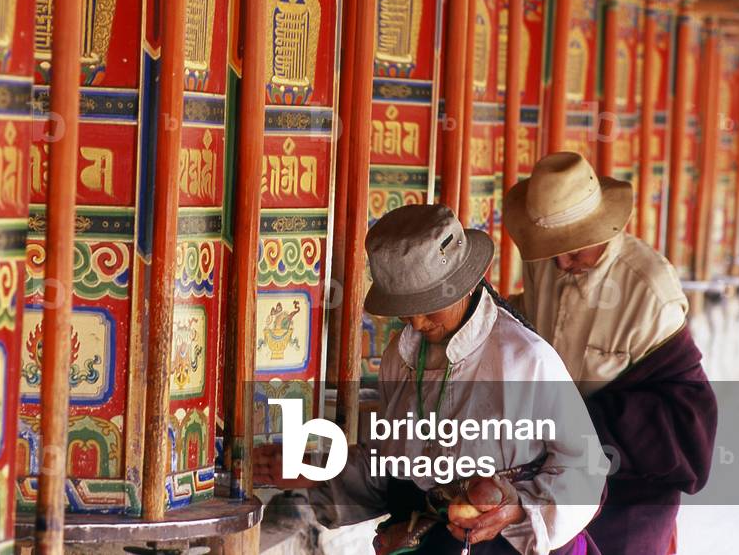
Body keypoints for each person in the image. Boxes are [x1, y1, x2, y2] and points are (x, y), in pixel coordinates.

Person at [255, 204, 606, 555]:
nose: (419, 323)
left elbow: (585, 465)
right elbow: (393, 462)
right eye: (407, 309)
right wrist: (317, 469)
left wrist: (517, 512)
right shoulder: (401, 356)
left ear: (464, 285)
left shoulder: (524, 359)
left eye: (429, 305)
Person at [503, 151, 718, 555]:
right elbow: (528, 325)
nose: (562, 262)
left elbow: (681, 413)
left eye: (574, 249)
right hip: (551, 462)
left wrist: (580, 424)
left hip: (628, 480)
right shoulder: (547, 260)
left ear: (601, 227)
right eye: (554, 249)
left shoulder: (649, 289)